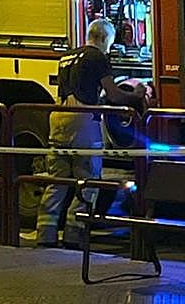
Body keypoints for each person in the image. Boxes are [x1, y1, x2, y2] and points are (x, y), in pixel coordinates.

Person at [36, 18, 148, 248]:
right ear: (105, 39)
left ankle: (44, 235)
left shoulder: (67, 55)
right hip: (83, 123)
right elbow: (114, 95)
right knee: (87, 180)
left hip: (58, 119)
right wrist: (137, 94)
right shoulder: (97, 57)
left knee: (57, 181)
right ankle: (74, 235)